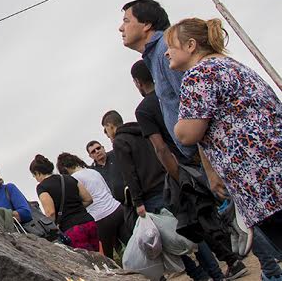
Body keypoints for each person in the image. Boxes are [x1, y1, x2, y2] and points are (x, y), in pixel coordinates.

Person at [168, 17, 282, 252]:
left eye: (171, 46)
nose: (166, 53)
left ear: (191, 45)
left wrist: (177, 126)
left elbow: (187, 134)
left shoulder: (197, 75)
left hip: (262, 183)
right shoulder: (233, 65)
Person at [131, 60, 245, 281]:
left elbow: (161, 148)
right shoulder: (173, 92)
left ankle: (249, 262)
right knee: (236, 210)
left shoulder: (144, 110)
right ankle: (254, 256)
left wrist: (178, 177)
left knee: (201, 220)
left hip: (185, 167)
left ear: (137, 82)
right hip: (207, 153)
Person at [119, 0, 197, 162]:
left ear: (146, 24)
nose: (121, 28)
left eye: (126, 21)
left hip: (205, 153)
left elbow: (195, 105)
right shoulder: (155, 55)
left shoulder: (166, 51)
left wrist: (209, 167)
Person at [57, 152, 126, 258]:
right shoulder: (92, 171)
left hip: (100, 218)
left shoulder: (73, 179)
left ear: (64, 168)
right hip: (117, 209)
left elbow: (83, 200)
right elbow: (107, 190)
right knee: (129, 242)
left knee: (106, 257)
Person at [29, 154, 99, 251]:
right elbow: (88, 199)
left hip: (72, 229)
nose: (36, 179)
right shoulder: (68, 178)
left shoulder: (42, 187)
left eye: (34, 175)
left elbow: (50, 213)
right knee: (99, 257)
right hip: (89, 222)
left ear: (38, 173)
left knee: (89, 262)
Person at [87, 140, 127, 205]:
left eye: (98, 148)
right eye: (93, 151)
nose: (97, 151)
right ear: (90, 156)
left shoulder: (116, 154)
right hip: (115, 206)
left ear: (103, 148)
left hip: (131, 196)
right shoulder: (92, 171)